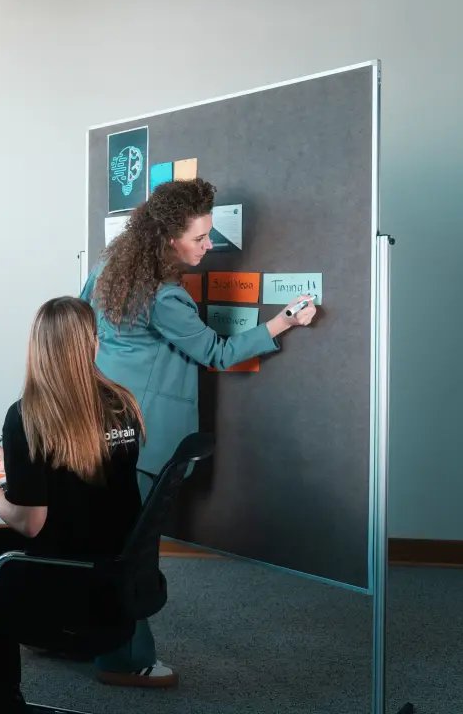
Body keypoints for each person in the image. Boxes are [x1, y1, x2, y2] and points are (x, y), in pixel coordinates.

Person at [79, 177, 318, 687]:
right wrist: (282, 323)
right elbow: (217, 353)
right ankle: (126, 659)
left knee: (100, 539)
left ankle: (77, 637)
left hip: (100, 422)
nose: (210, 246)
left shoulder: (105, 271)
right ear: (167, 238)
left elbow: (80, 329)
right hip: (145, 439)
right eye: (200, 237)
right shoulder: (164, 295)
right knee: (132, 549)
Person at [0, 296, 147, 714]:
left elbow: (30, 524)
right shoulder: (120, 404)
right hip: (111, 567)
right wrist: (17, 465)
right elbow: (82, 471)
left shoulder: (29, 416)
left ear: (38, 346)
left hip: (59, 573)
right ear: (90, 343)